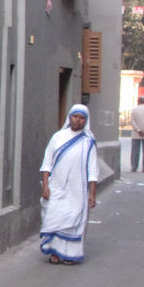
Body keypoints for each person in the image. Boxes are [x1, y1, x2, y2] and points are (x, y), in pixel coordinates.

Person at [39, 104, 98, 264]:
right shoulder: (57, 137)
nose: (77, 120)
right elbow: (46, 164)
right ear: (69, 117)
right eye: (75, 116)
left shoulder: (88, 141)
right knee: (54, 217)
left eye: (81, 118)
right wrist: (45, 186)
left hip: (77, 190)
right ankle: (55, 252)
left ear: (85, 120)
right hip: (56, 187)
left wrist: (92, 193)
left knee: (73, 220)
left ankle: (69, 254)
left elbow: (93, 170)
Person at [129, 95, 144, 172]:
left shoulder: (134, 110)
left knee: (135, 151)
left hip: (136, 134)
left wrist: (138, 130)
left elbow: (132, 121)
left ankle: (134, 166)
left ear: (138, 101)